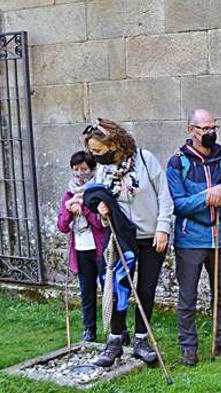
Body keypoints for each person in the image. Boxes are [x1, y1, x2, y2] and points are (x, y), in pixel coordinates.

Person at [81, 118, 174, 367]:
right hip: (122, 239)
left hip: (152, 237)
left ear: (114, 143)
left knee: (146, 289)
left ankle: (141, 341)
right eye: (93, 152)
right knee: (119, 289)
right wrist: (101, 210)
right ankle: (115, 341)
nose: (96, 157)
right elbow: (101, 202)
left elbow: (164, 195)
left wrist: (163, 228)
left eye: (99, 151)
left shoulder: (145, 160)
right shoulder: (103, 170)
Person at [166, 109, 221, 366]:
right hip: (190, 240)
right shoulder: (178, 163)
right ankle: (188, 347)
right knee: (187, 296)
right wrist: (206, 197)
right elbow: (178, 204)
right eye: (205, 129)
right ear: (191, 130)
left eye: (214, 127)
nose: (211, 133)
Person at [56, 151, 106, 342]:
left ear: (92, 170)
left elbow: (101, 223)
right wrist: (69, 210)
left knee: (109, 291)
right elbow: (62, 226)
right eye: (76, 169)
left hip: (100, 250)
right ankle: (89, 330)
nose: (79, 173)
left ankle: (117, 331)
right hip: (81, 250)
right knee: (87, 293)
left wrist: (84, 207)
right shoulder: (68, 195)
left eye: (84, 169)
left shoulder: (98, 192)